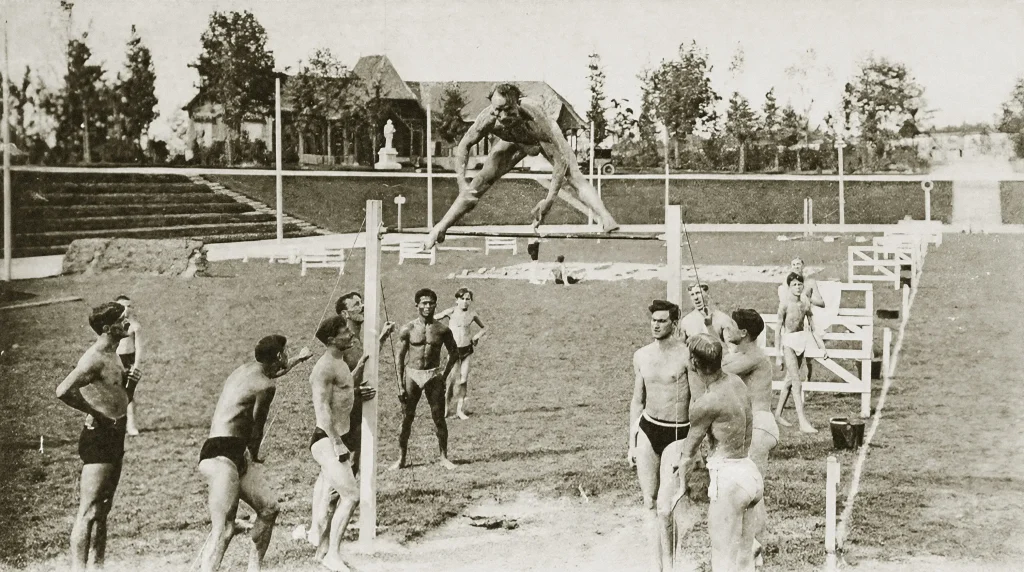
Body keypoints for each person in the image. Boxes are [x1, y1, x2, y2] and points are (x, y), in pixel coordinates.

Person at [423, 83, 618, 249]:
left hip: (541, 139)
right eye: (497, 110)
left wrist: (549, 200)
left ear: (518, 103)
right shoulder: (489, 118)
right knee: (479, 181)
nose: (501, 116)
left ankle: (606, 218)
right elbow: (464, 145)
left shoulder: (535, 118)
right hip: (515, 142)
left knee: (574, 176)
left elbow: (561, 161)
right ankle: (441, 227)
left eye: (507, 110)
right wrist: (461, 183)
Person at [196, 335, 312, 572]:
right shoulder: (266, 387)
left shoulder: (246, 370)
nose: (288, 354)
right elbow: (257, 427)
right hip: (222, 457)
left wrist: (299, 360)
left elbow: (272, 373)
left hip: (228, 451)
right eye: (287, 352)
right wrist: (255, 456)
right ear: (279, 356)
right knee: (224, 530)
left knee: (269, 509)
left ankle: (254, 569)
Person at [295, 292, 395, 554]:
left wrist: (381, 340)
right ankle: (319, 530)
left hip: (355, 417)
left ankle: (324, 531)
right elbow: (334, 388)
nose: (363, 306)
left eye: (362, 301)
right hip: (339, 424)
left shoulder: (356, 341)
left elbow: (361, 366)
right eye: (356, 305)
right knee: (335, 477)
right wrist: (353, 392)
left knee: (350, 470)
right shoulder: (339, 345)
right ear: (344, 315)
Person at [56, 302, 140, 572]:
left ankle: (98, 566)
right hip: (99, 436)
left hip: (115, 434)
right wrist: (95, 412)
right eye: (123, 319)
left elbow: (120, 400)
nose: (128, 323)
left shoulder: (114, 353)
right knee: (89, 509)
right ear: (108, 328)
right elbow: (63, 390)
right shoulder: (93, 358)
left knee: (103, 509)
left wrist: (131, 385)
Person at [673, 334, 763, 572]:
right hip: (750, 474)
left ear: (694, 362)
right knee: (744, 559)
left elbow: (688, 452)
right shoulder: (737, 382)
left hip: (729, 480)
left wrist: (681, 485)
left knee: (722, 560)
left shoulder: (706, 403)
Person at [628, 300, 695, 571]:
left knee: (667, 506)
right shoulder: (641, 355)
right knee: (650, 503)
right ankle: (656, 565)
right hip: (648, 429)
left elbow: (698, 401)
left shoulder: (687, 356)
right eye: (653, 320)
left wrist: (696, 448)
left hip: (677, 432)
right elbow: (636, 401)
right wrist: (631, 442)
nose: (656, 324)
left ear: (675, 324)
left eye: (662, 320)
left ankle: (671, 564)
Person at [306, 316, 362, 571]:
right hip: (327, 440)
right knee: (351, 496)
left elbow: (345, 386)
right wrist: (338, 444)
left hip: (339, 438)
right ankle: (332, 556)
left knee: (332, 500)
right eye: (345, 332)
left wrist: (360, 368)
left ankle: (322, 551)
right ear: (331, 340)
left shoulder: (339, 362)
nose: (350, 334)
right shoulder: (324, 368)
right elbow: (323, 411)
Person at [722, 309, 777, 566]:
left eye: (731, 326)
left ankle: (753, 545)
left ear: (744, 333)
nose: (728, 330)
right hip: (754, 427)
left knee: (751, 491)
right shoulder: (745, 354)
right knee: (751, 489)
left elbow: (717, 367)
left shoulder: (753, 356)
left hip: (759, 427)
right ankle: (754, 550)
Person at [392, 289, 460, 470]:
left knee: (439, 418)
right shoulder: (408, 329)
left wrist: (444, 376)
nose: (427, 306)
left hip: (433, 375)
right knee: (407, 418)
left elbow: (454, 352)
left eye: (431, 303)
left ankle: (444, 457)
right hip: (412, 375)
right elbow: (399, 357)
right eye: (424, 303)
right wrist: (400, 385)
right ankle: (401, 458)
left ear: (436, 304)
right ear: (417, 305)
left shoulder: (442, 329)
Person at [774, 273, 826, 433]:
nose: (797, 287)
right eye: (794, 285)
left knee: (790, 381)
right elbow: (777, 330)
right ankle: (803, 422)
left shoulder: (805, 303)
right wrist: (778, 355)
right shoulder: (784, 304)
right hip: (788, 343)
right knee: (797, 382)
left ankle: (777, 414)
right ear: (789, 287)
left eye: (799, 284)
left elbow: (812, 326)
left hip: (800, 341)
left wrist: (822, 348)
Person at [436, 288, 487, 419]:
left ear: (470, 301)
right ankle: (445, 409)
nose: (464, 302)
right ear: (457, 300)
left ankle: (459, 410)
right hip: (454, 351)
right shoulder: (451, 311)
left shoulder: (472, 314)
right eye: (462, 299)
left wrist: (476, 336)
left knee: (463, 380)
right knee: (451, 381)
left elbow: (485, 327)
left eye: (467, 299)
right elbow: (434, 318)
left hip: (467, 350)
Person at [776, 259, 826, 383]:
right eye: (793, 264)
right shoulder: (788, 283)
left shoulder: (810, 282)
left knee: (809, 352)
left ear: (803, 266)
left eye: (798, 264)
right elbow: (784, 302)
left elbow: (822, 303)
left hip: (807, 315)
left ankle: (808, 376)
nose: (796, 266)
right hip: (793, 321)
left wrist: (808, 299)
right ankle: (792, 379)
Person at [114, 295, 143, 436]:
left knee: (128, 394)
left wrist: (136, 365)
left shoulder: (134, 327)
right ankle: (115, 424)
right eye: (122, 306)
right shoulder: (112, 326)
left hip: (128, 360)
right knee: (113, 392)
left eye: (128, 306)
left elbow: (139, 347)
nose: (126, 310)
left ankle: (131, 425)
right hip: (115, 359)